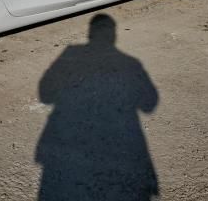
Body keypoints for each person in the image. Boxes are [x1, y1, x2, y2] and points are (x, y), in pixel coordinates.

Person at [36, 14, 159, 200]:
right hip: (120, 152)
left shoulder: (70, 53)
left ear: (90, 34)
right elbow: (149, 104)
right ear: (114, 36)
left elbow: (45, 94)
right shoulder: (131, 64)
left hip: (66, 151)